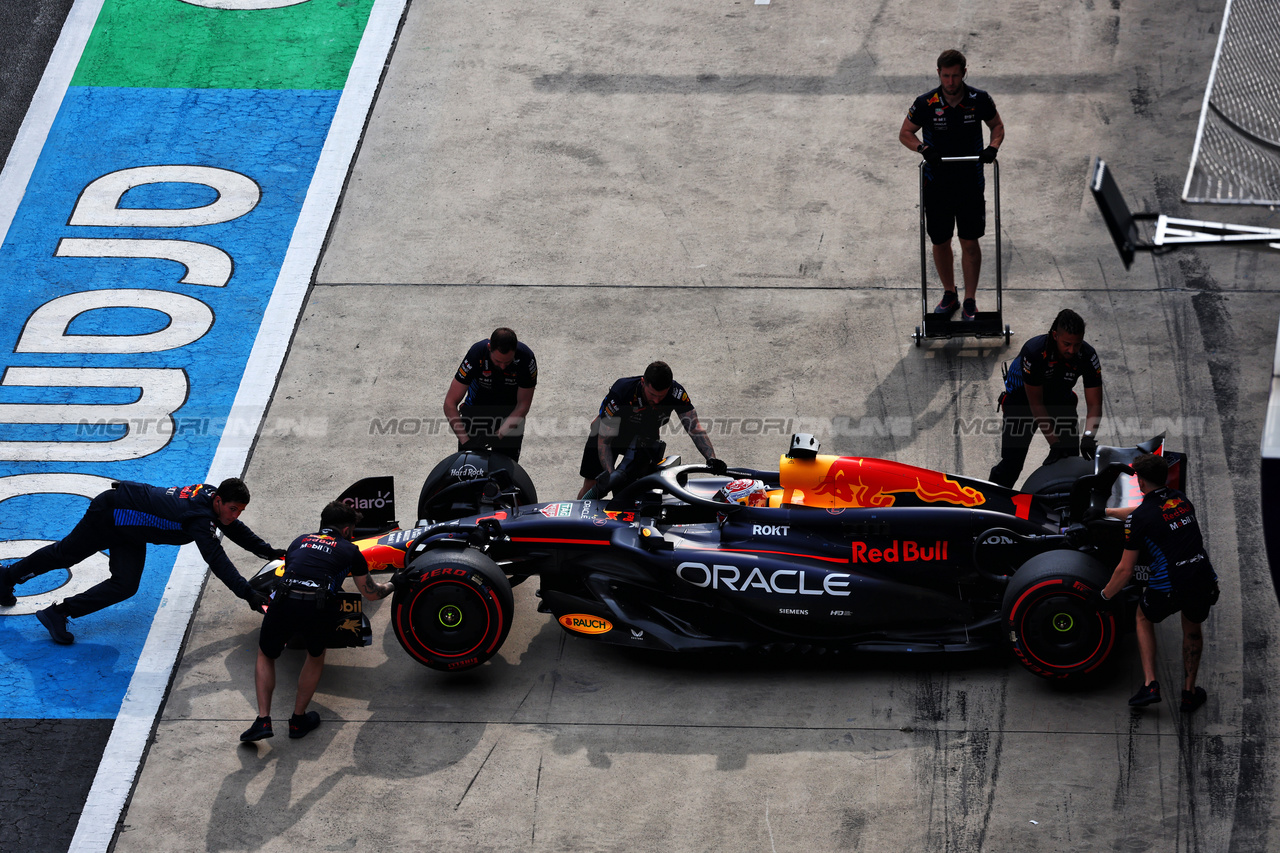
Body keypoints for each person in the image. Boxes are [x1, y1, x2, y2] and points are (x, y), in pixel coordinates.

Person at [0, 478, 282, 644]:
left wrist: (269, 552)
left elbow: (233, 527)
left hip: (130, 526)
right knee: (66, 554)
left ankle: (58, 613)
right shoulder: (199, 519)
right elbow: (217, 561)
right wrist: (247, 593)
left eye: (240, 511)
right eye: (232, 509)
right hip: (111, 513)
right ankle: (6, 578)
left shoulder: (211, 496)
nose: (235, 515)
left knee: (125, 585)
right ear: (219, 501)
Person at [241, 501, 393, 742]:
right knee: (315, 655)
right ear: (346, 531)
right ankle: (298, 720)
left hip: (284, 600)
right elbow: (371, 593)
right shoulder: (350, 550)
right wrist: (396, 583)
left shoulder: (299, 541)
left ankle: (263, 720)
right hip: (318, 606)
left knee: (266, 654)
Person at [1099, 454, 1219, 711]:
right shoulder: (1181, 499)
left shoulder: (1140, 519)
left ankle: (1150, 684)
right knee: (1192, 628)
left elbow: (1125, 570)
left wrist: (1104, 597)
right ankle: (1189, 693)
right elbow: (1147, 513)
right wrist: (1108, 512)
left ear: (1140, 482)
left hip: (1169, 587)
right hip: (1201, 577)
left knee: (1143, 616)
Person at [899, 48, 1005, 321]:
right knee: (941, 240)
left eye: (955, 76)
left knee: (970, 242)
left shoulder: (978, 99)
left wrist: (993, 147)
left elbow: (997, 126)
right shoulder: (925, 103)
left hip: (970, 183)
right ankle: (949, 293)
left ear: (964, 74)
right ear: (938, 74)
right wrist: (923, 149)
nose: (950, 82)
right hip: (936, 185)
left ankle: (970, 300)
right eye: (945, 76)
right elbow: (905, 133)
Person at [988, 309, 1103, 488]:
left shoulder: (1088, 355)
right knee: (1011, 465)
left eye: (1077, 344)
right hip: (1023, 403)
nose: (1072, 350)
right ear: (1055, 335)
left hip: (1060, 401)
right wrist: (1054, 443)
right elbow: (1036, 404)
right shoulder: (1034, 352)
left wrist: (1089, 436)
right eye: (1067, 344)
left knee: (1069, 462)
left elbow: (1095, 403)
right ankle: (990, 501)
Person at [577, 360, 726, 498]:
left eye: (661, 396)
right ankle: (575, 521)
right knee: (596, 487)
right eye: (652, 394)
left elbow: (694, 428)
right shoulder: (622, 392)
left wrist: (711, 459)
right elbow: (604, 440)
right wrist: (611, 475)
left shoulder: (676, 394)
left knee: (638, 489)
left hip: (643, 437)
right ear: (643, 382)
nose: (656, 400)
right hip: (609, 435)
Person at [443, 328, 537, 462]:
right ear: (489, 348)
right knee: (470, 470)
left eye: (507, 362)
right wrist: (465, 441)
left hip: (510, 416)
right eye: (498, 361)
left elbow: (523, 405)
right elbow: (450, 403)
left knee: (505, 472)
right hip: (476, 412)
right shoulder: (477, 353)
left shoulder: (526, 359)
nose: (503, 366)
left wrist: (498, 435)